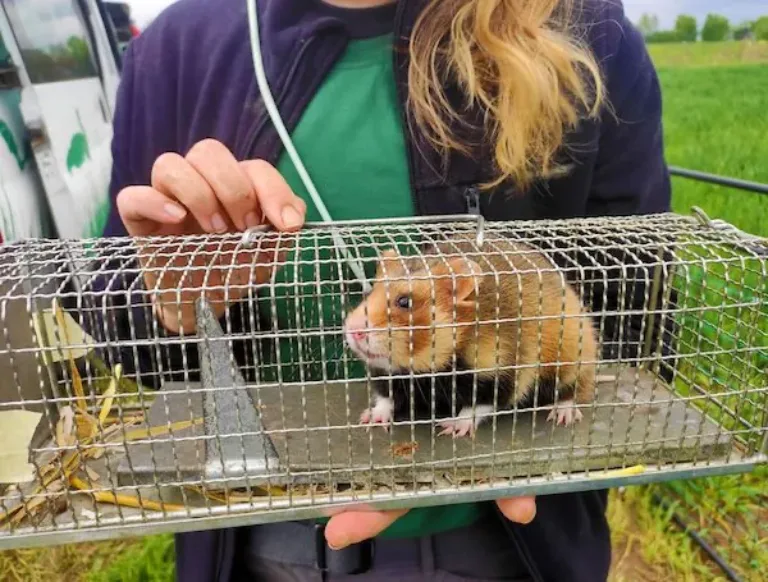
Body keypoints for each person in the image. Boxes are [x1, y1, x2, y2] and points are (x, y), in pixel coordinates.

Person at [99, 0, 671, 580]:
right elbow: (121, 335)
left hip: (508, 542)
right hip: (258, 528)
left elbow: (635, 313)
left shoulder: (585, 28)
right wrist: (178, 306)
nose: (358, 323)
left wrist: (530, 440)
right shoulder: (172, 51)